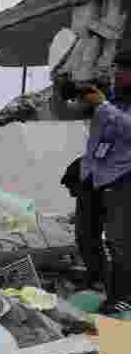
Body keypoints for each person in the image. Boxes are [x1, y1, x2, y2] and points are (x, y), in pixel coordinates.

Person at [51, 50, 131, 315]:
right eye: (117, 68)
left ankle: (122, 296)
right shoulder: (108, 98)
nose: (117, 74)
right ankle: (97, 278)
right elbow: (64, 113)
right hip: (93, 175)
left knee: (120, 241)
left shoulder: (107, 104)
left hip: (123, 178)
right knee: (86, 235)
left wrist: (103, 106)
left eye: (124, 70)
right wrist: (61, 91)